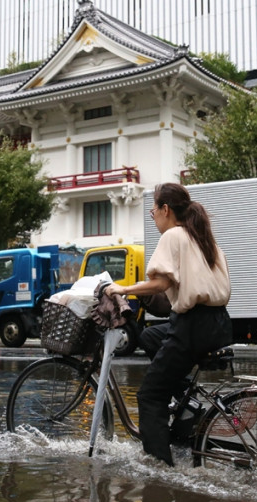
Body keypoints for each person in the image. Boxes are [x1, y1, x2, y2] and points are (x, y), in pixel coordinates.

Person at [105, 182, 232, 466]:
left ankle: (160, 467)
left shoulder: (174, 235)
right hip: (217, 323)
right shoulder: (201, 237)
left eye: (153, 212)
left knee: (150, 395)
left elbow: (162, 282)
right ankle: (187, 403)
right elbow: (178, 288)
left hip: (192, 327)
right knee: (150, 338)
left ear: (165, 209)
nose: (154, 218)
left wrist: (122, 290)